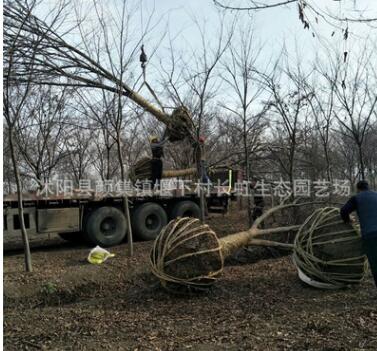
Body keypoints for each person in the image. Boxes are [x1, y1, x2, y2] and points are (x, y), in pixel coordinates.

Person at [340, 180, 377, 288]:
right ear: (368, 187)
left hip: (370, 235)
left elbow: (344, 211)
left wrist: (348, 220)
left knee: (375, 264)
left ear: (358, 189)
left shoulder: (357, 198)